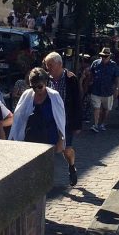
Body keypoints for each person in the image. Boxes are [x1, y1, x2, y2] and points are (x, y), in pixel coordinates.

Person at [44, 52, 82, 186]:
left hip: (66, 120)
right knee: (50, 148)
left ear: (59, 64)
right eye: (47, 65)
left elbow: (77, 101)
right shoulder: (46, 79)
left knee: (66, 149)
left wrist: (77, 124)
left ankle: (71, 166)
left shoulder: (71, 79)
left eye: (51, 65)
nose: (48, 68)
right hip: (51, 120)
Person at [9, 68, 65, 153]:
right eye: (33, 87)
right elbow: (18, 118)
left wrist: (61, 140)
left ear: (46, 82)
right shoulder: (27, 95)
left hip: (49, 139)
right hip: (30, 139)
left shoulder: (54, 96)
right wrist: (14, 136)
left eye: (39, 87)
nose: (36, 90)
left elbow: (60, 120)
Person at [89, 47, 119, 133]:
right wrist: (89, 82)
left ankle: (102, 123)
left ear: (109, 56)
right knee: (96, 108)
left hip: (108, 91)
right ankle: (95, 124)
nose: (104, 58)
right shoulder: (95, 63)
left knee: (106, 109)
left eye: (106, 56)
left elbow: (117, 77)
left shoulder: (113, 65)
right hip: (96, 90)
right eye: (102, 56)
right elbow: (91, 73)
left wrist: (117, 88)